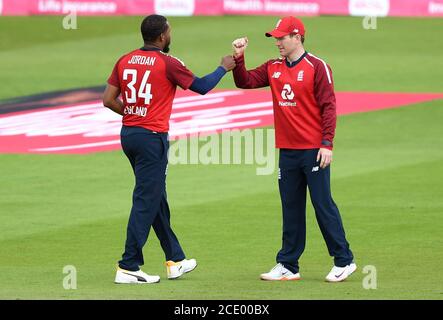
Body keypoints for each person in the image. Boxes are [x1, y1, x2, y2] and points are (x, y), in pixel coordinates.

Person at [103, 14, 236, 284]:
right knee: (145, 199)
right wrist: (223, 67)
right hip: (152, 138)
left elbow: (108, 99)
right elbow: (201, 87)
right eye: (169, 32)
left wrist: (133, 114)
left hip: (129, 135)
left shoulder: (125, 59)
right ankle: (129, 264)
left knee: (156, 197)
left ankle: (175, 259)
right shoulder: (168, 63)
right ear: (162, 36)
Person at [231, 16, 356, 282]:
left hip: (313, 149)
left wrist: (327, 144)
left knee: (322, 205)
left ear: (297, 37)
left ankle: (344, 260)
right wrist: (239, 57)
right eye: (276, 38)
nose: (278, 42)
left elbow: (329, 107)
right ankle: (288, 264)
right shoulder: (273, 67)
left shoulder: (317, 66)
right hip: (287, 150)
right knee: (291, 207)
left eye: (282, 37)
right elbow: (245, 82)